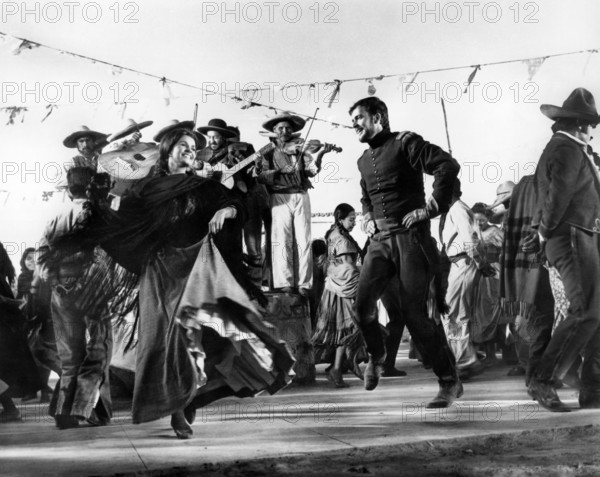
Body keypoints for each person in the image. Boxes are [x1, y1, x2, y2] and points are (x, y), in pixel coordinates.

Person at [86, 128, 294, 438]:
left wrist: (226, 209)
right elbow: (122, 223)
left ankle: (189, 399)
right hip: (159, 272)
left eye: (192, 147)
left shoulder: (202, 185)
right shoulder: (146, 189)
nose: (189, 150)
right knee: (164, 341)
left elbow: (234, 202)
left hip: (200, 266)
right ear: (167, 152)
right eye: (182, 146)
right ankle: (178, 407)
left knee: (212, 335)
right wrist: (103, 202)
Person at [349, 96, 461, 408]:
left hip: (411, 239)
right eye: (352, 119)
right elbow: (366, 197)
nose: (353, 124)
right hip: (379, 242)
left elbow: (446, 165)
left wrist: (431, 208)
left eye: (359, 117)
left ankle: (448, 380)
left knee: (416, 315)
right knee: (361, 309)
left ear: (378, 116)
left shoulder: (405, 142)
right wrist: (367, 217)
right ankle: (377, 355)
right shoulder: (361, 160)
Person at [528, 87, 600, 411]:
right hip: (570, 235)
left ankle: (592, 387)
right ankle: (543, 379)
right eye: (591, 124)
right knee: (584, 311)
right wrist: (544, 232)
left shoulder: (567, 149)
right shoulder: (568, 150)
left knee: (596, 313)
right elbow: (557, 198)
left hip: (578, 234)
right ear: (579, 124)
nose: (593, 131)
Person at [36, 167, 114, 429]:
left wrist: (57, 283)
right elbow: (102, 255)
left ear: (69, 190)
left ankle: (63, 414)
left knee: (70, 357)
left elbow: (41, 258)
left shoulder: (54, 217)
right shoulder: (98, 215)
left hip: (60, 294)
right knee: (100, 349)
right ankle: (83, 407)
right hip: (92, 289)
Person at [257, 112, 334, 295]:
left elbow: (311, 171)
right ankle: (285, 282)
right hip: (279, 197)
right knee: (281, 240)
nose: (285, 131)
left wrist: (321, 154)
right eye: (280, 128)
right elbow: (260, 175)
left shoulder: (300, 149)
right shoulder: (267, 151)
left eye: (288, 128)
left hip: (301, 195)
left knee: (303, 239)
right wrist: (281, 170)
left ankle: (304, 284)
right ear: (274, 131)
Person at [312, 204, 366, 388]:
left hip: (334, 287)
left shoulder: (332, 234)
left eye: (355, 219)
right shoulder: (342, 239)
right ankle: (338, 367)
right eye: (351, 219)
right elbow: (348, 266)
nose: (354, 223)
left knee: (344, 330)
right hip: (344, 289)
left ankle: (338, 367)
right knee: (350, 329)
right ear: (341, 218)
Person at [0, 242, 43, 423]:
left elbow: (4, 300)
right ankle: (10, 409)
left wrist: (14, 304)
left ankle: (11, 409)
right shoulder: (4, 275)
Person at [17, 248, 57, 403]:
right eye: (28, 258)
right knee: (29, 354)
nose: (31, 262)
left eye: (35, 259)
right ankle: (33, 389)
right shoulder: (23, 277)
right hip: (28, 320)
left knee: (45, 353)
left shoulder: (46, 276)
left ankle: (44, 388)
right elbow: (26, 295)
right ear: (23, 261)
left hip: (46, 318)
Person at [471, 202, 505, 367]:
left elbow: (505, 250)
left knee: (493, 312)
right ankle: (483, 352)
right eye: (476, 220)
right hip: (477, 276)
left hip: (493, 275)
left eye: (482, 220)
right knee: (479, 314)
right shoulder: (471, 231)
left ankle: (494, 354)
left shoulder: (495, 232)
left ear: (488, 219)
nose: (479, 223)